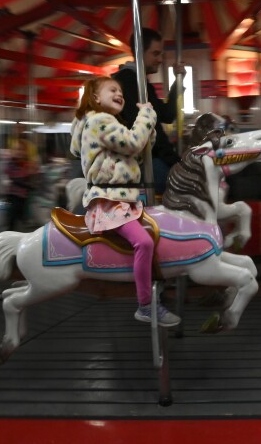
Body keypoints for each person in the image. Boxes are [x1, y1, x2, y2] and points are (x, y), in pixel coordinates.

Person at [70, 76, 181, 327]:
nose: (120, 93)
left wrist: (148, 129)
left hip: (122, 197)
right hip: (109, 201)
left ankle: (157, 283)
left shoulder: (105, 123)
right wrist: (147, 116)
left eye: (120, 90)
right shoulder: (100, 121)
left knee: (157, 229)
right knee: (143, 242)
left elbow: (139, 152)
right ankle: (145, 305)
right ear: (96, 97)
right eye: (112, 90)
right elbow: (132, 143)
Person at [113, 27, 182, 195]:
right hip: (141, 161)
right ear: (139, 53)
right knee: (183, 189)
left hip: (150, 156)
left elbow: (166, 115)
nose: (160, 59)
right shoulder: (127, 82)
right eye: (155, 53)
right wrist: (172, 160)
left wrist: (178, 81)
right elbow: (143, 129)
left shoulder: (142, 83)